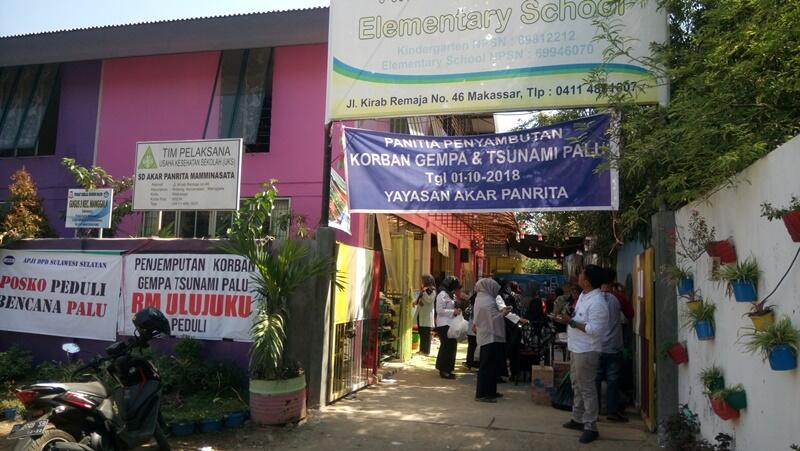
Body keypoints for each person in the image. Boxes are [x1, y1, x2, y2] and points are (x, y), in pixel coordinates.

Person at [555, 264, 609, 444]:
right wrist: (568, 319)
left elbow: (595, 330)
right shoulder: (585, 297)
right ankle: (578, 418)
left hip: (587, 350)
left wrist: (571, 322)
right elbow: (580, 319)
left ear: (586, 281)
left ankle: (591, 426)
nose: (577, 277)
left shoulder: (598, 302)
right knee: (576, 384)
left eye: (581, 275)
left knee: (587, 388)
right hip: (577, 347)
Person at [473, 278, 513, 402]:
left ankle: (491, 391)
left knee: (492, 366)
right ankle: (482, 394)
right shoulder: (486, 301)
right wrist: (503, 313)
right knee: (486, 366)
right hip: (489, 336)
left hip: (490, 335)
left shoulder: (484, 298)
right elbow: (492, 318)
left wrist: (502, 312)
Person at [596, 268, 628, 422]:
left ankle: (594, 412)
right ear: (612, 281)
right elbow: (631, 313)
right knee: (613, 381)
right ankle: (612, 412)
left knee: (595, 380)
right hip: (614, 346)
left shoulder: (592, 298)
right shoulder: (618, 298)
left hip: (596, 345)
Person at [435, 276, 462, 379]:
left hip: (450, 324)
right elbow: (439, 310)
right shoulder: (442, 295)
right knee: (447, 347)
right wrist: (453, 312)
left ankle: (448, 369)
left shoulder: (450, 295)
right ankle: (444, 370)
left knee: (451, 346)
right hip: (444, 324)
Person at [415, 274, 436, 355]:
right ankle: (422, 349)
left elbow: (429, 300)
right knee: (421, 332)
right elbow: (423, 302)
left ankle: (426, 351)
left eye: (422, 280)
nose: (421, 282)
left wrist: (423, 292)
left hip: (427, 314)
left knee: (426, 333)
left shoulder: (432, 290)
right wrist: (417, 302)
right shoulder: (424, 290)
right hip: (421, 313)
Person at [464, 292, 479, 369]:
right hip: (475, 327)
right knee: (475, 346)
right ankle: (473, 363)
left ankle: (469, 363)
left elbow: (466, 312)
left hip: (470, 327)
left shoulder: (471, 305)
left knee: (471, 346)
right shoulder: (478, 305)